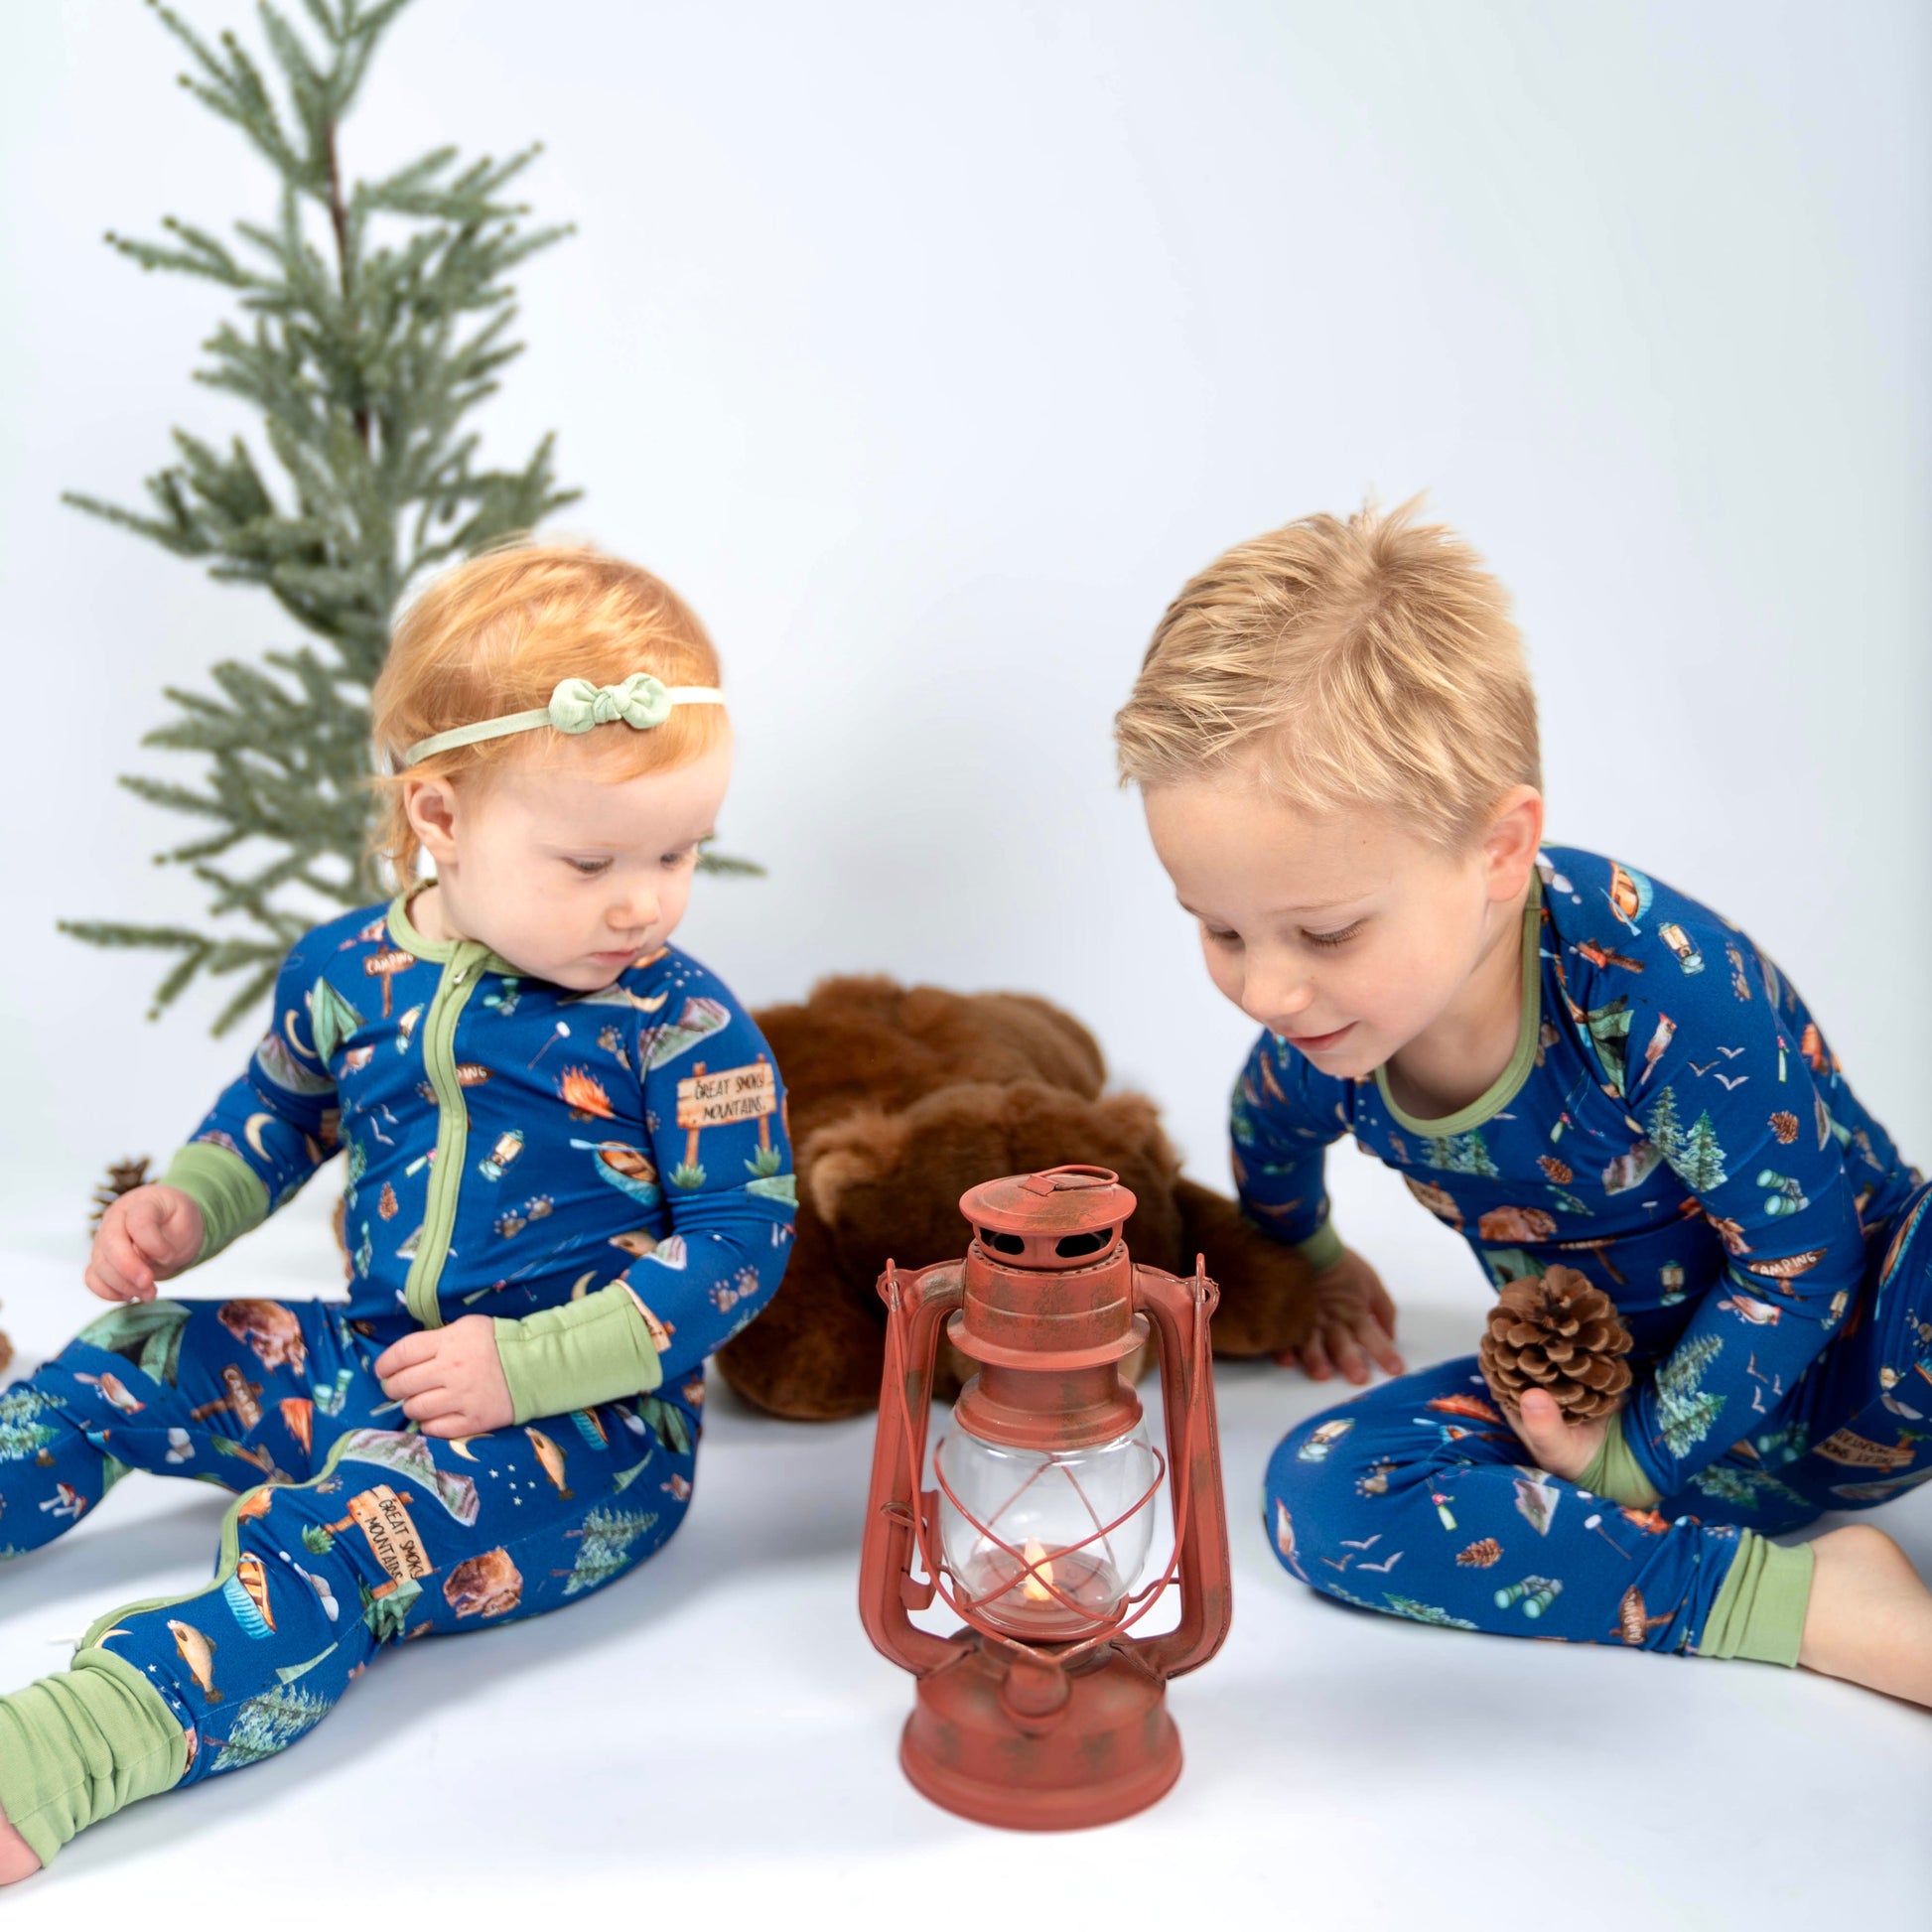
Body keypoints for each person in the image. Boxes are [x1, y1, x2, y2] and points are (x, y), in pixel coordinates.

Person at [0, 544, 796, 1877]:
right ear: (439, 814)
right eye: (594, 857)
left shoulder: (684, 1026)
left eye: (679, 850)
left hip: (581, 1428)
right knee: (122, 1363)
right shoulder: (348, 970)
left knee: (328, 1542)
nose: (644, 899)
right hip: (375, 1354)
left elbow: (738, 1246)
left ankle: (73, 1747)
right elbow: (277, 1113)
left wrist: (525, 1363)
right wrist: (184, 1207)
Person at [1115, 501, 1932, 1703]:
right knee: (1323, 1492)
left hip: (1862, 1349)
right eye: (1218, 927)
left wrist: (1634, 1462)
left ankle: (1718, 1533)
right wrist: (1313, 1264)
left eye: (1327, 929)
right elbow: (1268, 1138)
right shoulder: (1322, 1044)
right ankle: (1803, 1602)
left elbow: (1800, 1261)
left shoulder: (1656, 992)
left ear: (1500, 851)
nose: (1269, 987)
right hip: (1586, 1400)